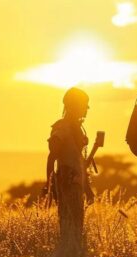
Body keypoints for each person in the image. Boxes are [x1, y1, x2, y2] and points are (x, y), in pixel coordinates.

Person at [46, 87, 90, 246]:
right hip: (67, 185)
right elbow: (52, 157)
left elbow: (80, 162)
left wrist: (88, 189)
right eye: (84, 104)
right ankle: (68, 256)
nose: (87, 108)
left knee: (76, 227)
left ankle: (73, 256)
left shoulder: (76, 128)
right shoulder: (62, 128)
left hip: (76, 186)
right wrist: (50, 186)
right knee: (69, 226)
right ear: (73, 105)